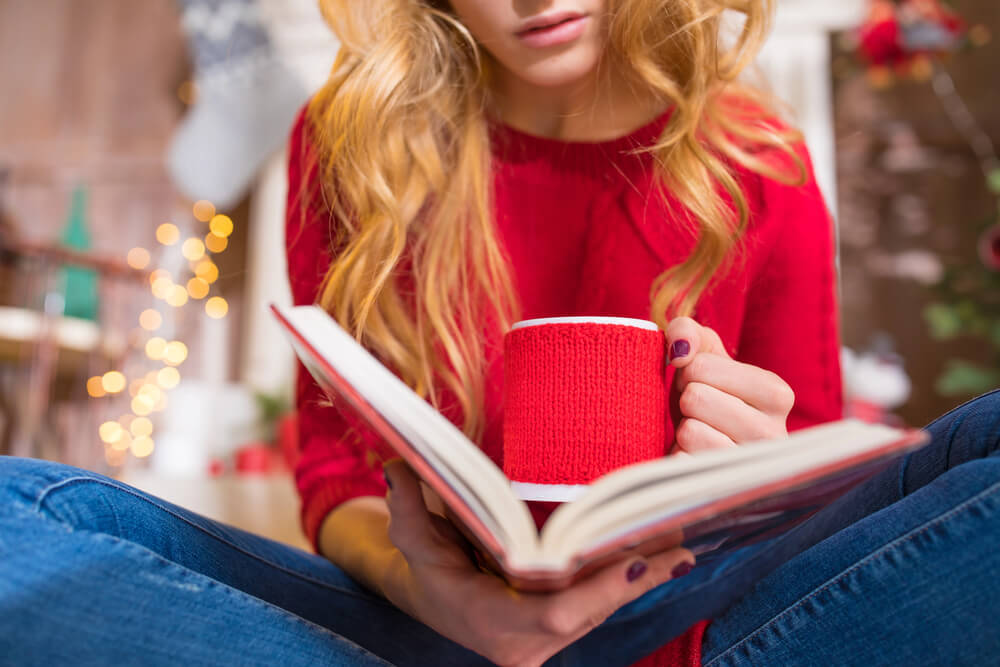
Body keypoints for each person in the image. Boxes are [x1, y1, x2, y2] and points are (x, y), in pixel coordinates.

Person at [0, 1, 997, 665]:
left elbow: (819, 482)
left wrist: (763, 468)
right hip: (421, 626)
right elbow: (336, 468)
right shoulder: (353, 145)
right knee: (16, 508)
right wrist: (436, 591)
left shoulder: (757, 160)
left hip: (684, 619)